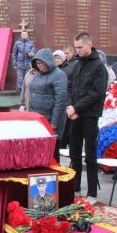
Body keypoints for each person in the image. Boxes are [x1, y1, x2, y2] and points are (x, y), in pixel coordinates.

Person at [66, 32, 108, 198]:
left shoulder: (99, 67)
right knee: (74, 153)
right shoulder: (77, 65)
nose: (78, 51)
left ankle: (92, 193)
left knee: (90, 155)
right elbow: (70, 88)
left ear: (89, 44)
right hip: (74, 115)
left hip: (90, 116)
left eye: (80, 47)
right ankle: (76, 189)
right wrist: (70, 106)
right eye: (75, 48)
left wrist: (76, 108)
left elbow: (96, 93)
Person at [27, 48, 68, 160]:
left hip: (50, 121)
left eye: (42, 63)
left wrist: (54, 122)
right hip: (37, 119)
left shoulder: (59, 75)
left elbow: (60, 100)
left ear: (48, 61)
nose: (39, 65)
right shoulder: (38, 74)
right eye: (37, 63)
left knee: (52, 153)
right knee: (39, 152)